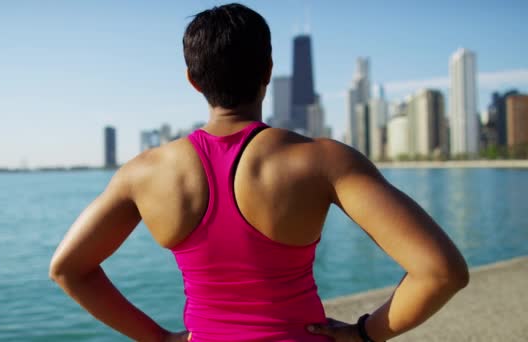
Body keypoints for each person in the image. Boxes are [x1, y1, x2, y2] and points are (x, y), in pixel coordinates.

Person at [49, 3, 469, 341]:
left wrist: (158, 338)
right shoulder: (323, 161)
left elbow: (68, 268)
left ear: (193, 80)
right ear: (268, 71)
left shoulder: (143, 174)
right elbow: (441, 271)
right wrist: (365, 332)